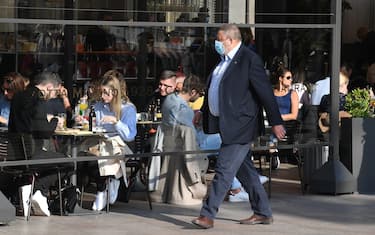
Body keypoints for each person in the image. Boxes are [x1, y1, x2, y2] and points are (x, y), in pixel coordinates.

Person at [191, 24, 285, 229]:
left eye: (219, 39)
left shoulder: (249, 60)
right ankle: (263, 212)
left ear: (230, 40)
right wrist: (203, 111)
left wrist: (276, 122)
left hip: (242, 125)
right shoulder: (221, 62)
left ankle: (207, 215)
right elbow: (215, 90)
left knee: (224, 169)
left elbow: (265, 93)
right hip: (225, 124)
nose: (215, 43)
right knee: (246, 171)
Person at [8, 71, 67, 217]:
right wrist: (55, 121)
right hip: (31, 152)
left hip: (14, 153)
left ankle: (31, 188)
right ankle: (38, 190)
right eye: (54, 92)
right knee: (68, 162)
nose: (53, 96)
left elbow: (27, 122)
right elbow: (45, 132)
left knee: (54, 158)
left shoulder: (19, 96)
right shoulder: (37, 99)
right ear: (48, 87)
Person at [79, 70, 137, 211]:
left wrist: (116, 122)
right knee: (79, 157)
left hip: (120, 145)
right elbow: (92, 123)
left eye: (106, 93)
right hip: (99, 141)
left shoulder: (128, 109)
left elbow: (129, 135)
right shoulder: (99, 106)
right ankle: (98, 187)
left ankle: (102, 189)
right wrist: (83, 119)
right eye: (102, 92)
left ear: (115, 93)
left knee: (96, 159)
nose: (103, 96)